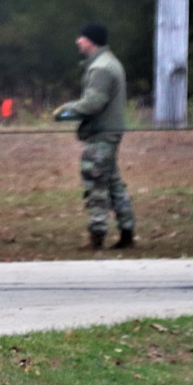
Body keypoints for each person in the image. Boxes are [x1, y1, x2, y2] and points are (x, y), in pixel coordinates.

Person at [52, 23, 136, 250]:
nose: (78, 41)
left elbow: (93, 103)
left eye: (82, 37)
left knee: (96, 182)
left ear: (92, 41)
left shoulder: (101, 68)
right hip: (108, 131)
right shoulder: (109, 63)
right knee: (112, 182)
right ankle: (127, 232)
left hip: (102, 133)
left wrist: (64, 111)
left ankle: (97, 236)